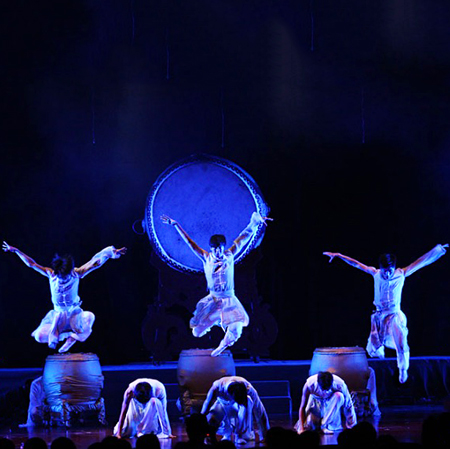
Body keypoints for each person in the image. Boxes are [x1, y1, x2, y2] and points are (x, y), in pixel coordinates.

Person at [323, 244, 447, 383]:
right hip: (379, 317)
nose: (387, 274)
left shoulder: (402, 273)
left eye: (389, 271)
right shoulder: (375, 273)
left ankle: (403, 369)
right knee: (375, 347)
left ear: (393, 267)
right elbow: (356, 264)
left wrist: (438, 250)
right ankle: (380, 366)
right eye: (384, 271)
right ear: (380, 268)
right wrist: (339, 255)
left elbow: (421, 262)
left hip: (394, 315)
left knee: (401, 341)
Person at [161, 211, 271, 356]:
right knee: (196, 332)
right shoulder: (206, 257)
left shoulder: (229, 256)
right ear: (211, 248)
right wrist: (176, 225)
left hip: (229, 299)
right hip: (213, 299)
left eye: (220, 248)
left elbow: (244, 237)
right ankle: (218, 320)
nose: (218, 252)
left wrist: (255, 222)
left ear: (223, 247)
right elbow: (190, 243)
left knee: (237, 329)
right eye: (214, 249)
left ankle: (221, 345)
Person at [2, 241, 126, 353]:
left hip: (74, 315)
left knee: (90, 317)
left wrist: (110, 253)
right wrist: (16, 251)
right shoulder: (51, 275)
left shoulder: (76, 273)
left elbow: (95, 262)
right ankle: (58, 333)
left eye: (66, 276)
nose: (64, 279)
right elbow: (32, 264)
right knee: (39, 337)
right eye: (62, 277)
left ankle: (72, 338)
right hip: (58, 315)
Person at [201, 376, 270, 445]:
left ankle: (240, 435)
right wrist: (203, 425)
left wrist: (264, 436)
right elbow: (206, 405)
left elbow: (259, 411)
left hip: (238, 406)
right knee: (212, 416)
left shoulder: (249, 389)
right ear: (229, 394)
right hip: (222, 403)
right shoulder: (217, 387)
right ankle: (217, 435)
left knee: (248, 402)